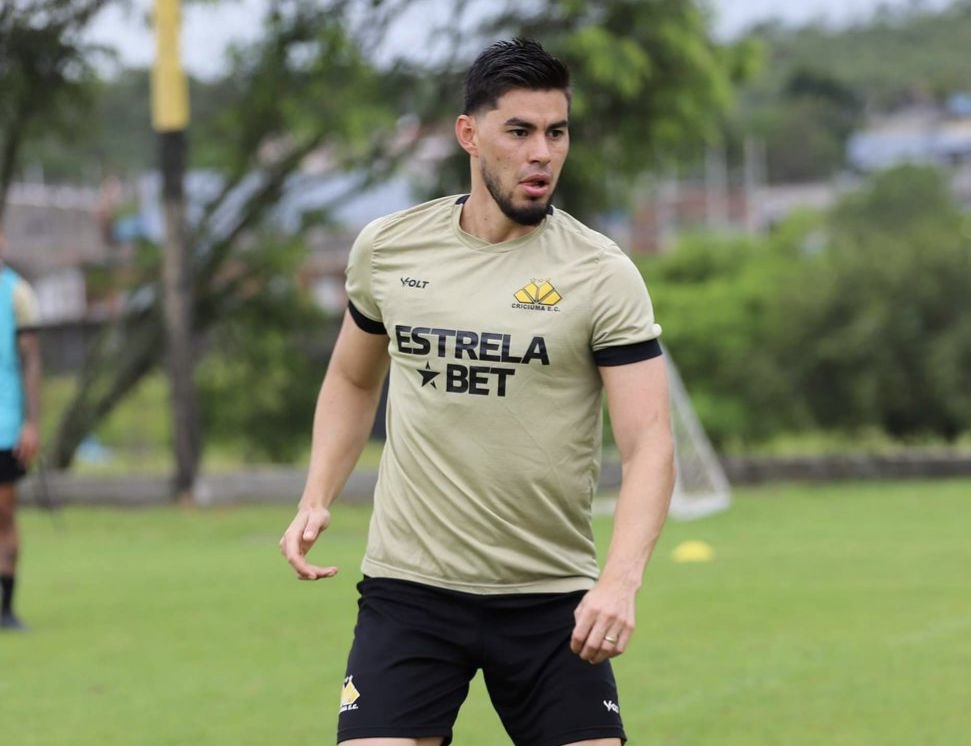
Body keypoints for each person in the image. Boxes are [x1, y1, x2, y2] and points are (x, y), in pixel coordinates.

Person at [280, 38, 675, 746]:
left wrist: (619, 581)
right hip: (410, 590)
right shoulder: (389, 248)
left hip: (549, 596)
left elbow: (649, 443)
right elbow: (352, 376)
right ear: (469, 133)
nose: (541, 153)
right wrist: (317, 494)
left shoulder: (600, 273)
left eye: (556, 133)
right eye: (518, 131)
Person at [0, 224, 42, 632]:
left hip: (5, 423)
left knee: (4, 513)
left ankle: (7, 607)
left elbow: (31, 360)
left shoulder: (17, 293)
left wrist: (32, 423)